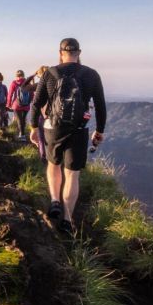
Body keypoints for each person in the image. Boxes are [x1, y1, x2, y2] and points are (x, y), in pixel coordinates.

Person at [29, 38, 106, 234]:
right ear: (79, 53)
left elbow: (36, 103)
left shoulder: (50, 73)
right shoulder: (91, 75)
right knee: (72, 174)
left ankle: (55, 200)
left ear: (60, 53)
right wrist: (99, 131)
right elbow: (100, 106)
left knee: (54, 165)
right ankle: (67, 219)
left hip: (52, 128)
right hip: (78, 130)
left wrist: (33, 128)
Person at [7, 70, 31, 141]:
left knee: (19, 120)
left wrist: (8, 104)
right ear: (23, 75)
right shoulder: (27, 82)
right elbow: (32, 93)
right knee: (23, 119)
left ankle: (22, 135)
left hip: (16, 105)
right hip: (26, 105)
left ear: (16, 76)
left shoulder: (14, 83)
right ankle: (22, 134)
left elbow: (10, 94)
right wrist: (29, 102)